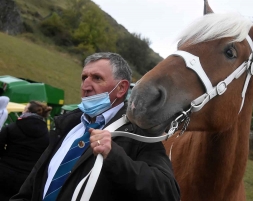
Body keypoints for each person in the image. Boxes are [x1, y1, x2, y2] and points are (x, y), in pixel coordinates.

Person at [10, 52, 180, 201]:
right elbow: (33, 184)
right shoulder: (66, 126)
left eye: (96, 78)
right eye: (84, 77)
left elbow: (167, 192)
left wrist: (114, 156)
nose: (86, 86)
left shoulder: (137, 133)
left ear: (121, 88)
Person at [0, 100, 52, 201]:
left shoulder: (12, 127)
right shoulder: (47, 135)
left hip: (4, 171)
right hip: (26, 179)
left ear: (27, 111)